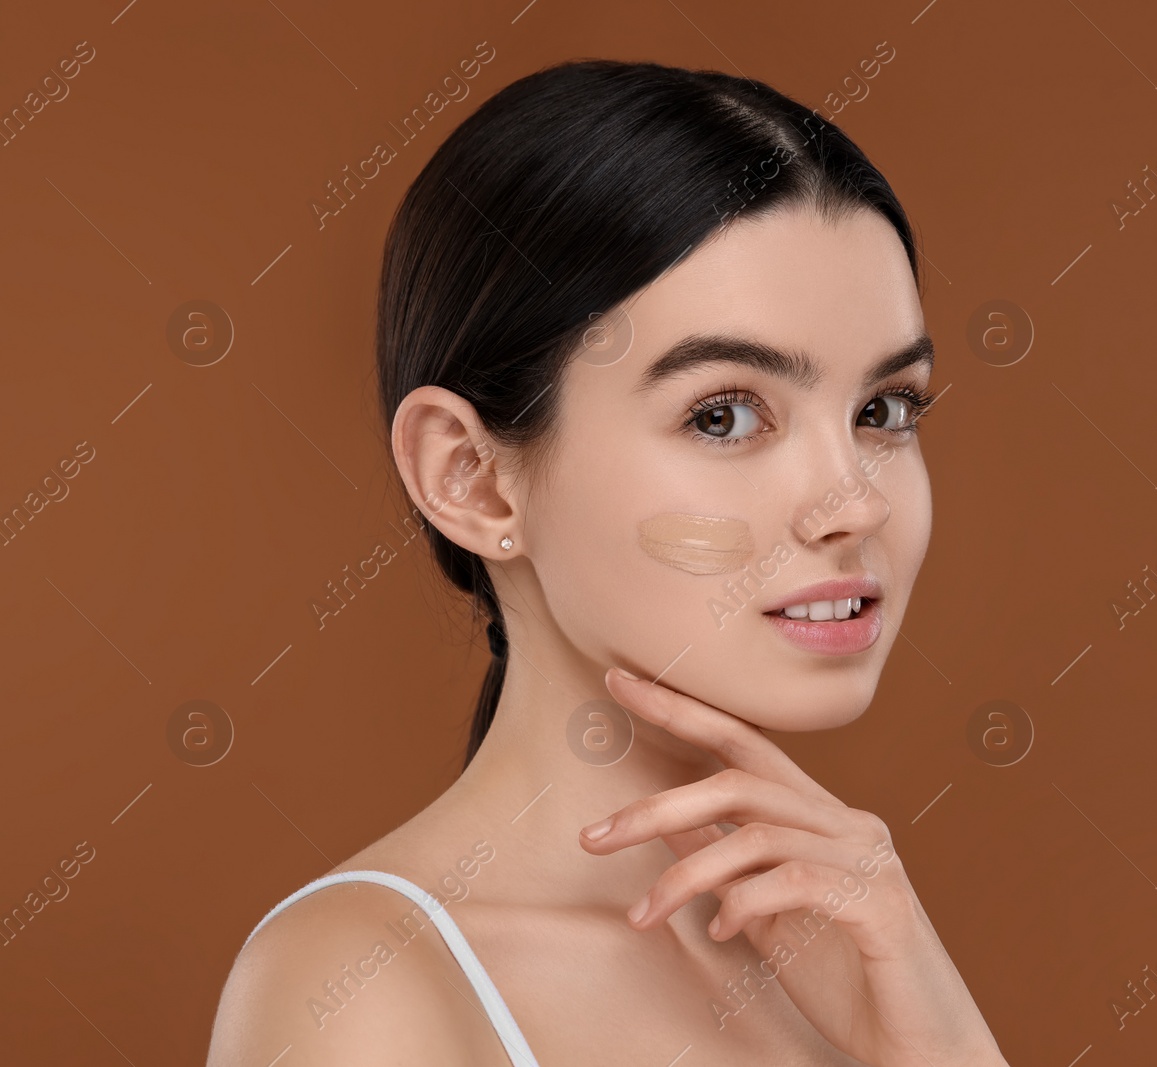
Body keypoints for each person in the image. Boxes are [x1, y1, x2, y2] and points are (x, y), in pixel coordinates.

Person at [207, 58, 1008, 1067]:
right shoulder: (360, 988)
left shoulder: (858, 950)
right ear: (472, 479)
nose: (853, 502)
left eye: (883, 410)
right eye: (724, 413)